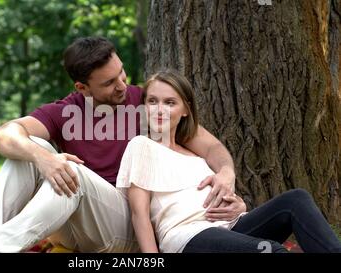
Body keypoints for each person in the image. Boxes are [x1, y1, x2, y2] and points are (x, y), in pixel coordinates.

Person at [0, 37, 242, 253]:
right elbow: (3, 135)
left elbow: (211, 147)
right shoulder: (64, 112)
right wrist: (43, 158)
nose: (122, 85)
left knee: (72, 173)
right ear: (82, 88)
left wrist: (227, 174)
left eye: (121, 74)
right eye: (109, 82)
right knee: (30, 146)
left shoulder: (146, 103)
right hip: (76, 224)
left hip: (130, 227)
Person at [116, 69, 341, 253]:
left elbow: (215, 177)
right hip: (188, 235)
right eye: (152, 101)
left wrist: (237, 205)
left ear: (185, 109)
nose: (159, 110)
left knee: (296, 200)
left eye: (170, 102)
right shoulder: (142, 145)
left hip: (232, 227)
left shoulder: (194, 153)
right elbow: (139, 214)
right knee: (270, 250)